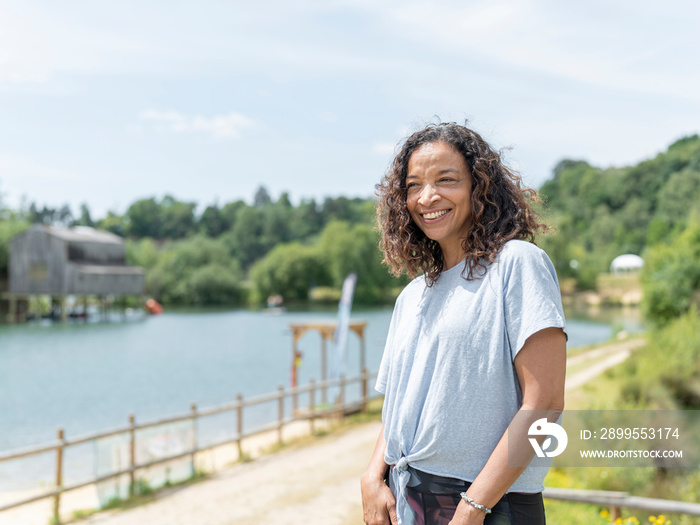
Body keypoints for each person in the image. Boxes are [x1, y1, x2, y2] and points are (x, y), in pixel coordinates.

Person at [361, 122, 567, 525]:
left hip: (491, 505)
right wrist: (372, 476)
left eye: (446, 180)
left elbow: (544, 405)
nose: (427, 197)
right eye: (413, 185)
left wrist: (473, 508)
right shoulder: (412, 296)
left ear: (479, 187)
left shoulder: (517, 265)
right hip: (410, 498)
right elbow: (399, 409)